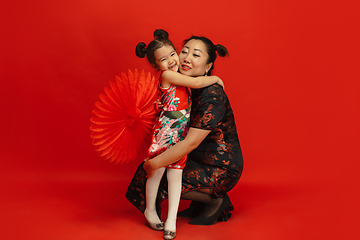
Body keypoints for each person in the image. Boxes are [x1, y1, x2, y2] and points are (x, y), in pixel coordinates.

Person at [135, 29, 224, 240]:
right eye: (164, 60)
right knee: (155, 173)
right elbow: (196, 82)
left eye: (174, 54)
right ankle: (150, 211)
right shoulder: (168, 75)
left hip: (180, 135)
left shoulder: (179, 76)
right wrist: (215, 78)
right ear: (157, 66)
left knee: (176, 177)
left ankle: (171, 220)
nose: (173, 60)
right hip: (165, 133)